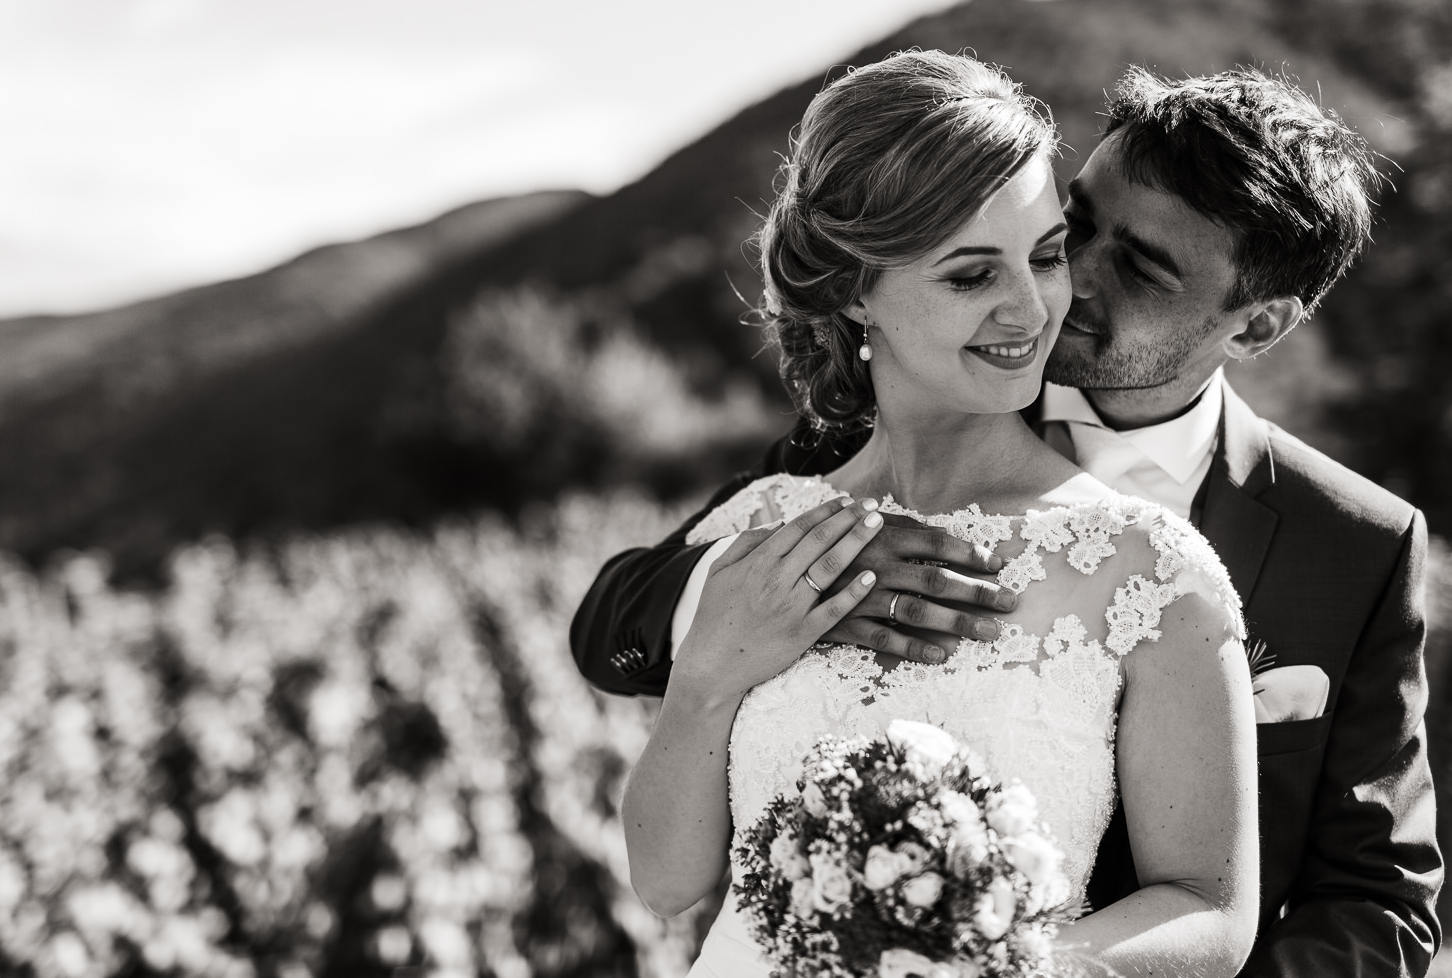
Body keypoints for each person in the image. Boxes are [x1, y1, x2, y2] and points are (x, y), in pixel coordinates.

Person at [577, 59, 1444, 975]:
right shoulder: (843, 444)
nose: (1062, 283)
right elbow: (612, 632)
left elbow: (1373, 901)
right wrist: (730, 606)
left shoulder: (1344, 546)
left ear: (1256, 325)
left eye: (1141, 266)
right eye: (1074, 225)